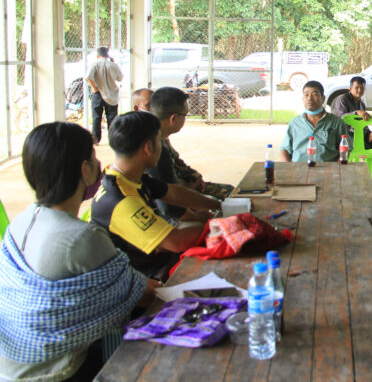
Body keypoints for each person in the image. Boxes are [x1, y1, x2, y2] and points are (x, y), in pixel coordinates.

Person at [0, 122, 155, 382]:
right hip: (55, 372)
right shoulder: (82, 237)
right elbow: (139, 294)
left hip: (10, 366)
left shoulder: (22, 220)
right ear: (85, 169)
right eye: (94, 158)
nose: (99, 165)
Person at [90, 111, 221, 281]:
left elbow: (172, 192)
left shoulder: (124, 176)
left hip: (157, 262)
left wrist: (217, 206)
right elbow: (176, 242)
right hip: (146, 278)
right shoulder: (121, 200)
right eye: (160, 141)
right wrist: (220, 225)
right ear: (148, 147)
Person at [147, 87, 235, 223]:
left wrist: (194, 176)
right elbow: (168, 199)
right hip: (170, 213)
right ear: (173, 118)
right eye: (185, 115)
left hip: (184, 189)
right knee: (226, 207)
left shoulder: (160, 137)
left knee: (232, 192)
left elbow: (178, 163)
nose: (185, 119)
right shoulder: (154, 149)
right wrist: (190, 189)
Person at [280, 81, 350, 163]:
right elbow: (284, 150)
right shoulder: (295, 123)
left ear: (323, 98)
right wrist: (290, 169)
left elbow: (346, 148)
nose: (309, 98)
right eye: (306, 95)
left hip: (327, 171)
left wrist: (336, 169)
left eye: (314, 94)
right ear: (303, 98)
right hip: (299, 170)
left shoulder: (336, 122)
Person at [86, 46, 123, 144]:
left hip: (98, 94)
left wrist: (95, 89)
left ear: (98, 55)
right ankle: (112, 139)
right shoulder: (113, 65)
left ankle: (96, 139)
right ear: (107, 55)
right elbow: (120, 78)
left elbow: (88, 77)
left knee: (96, 117)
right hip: (112, 95)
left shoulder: (94, 64)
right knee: (112, 118)